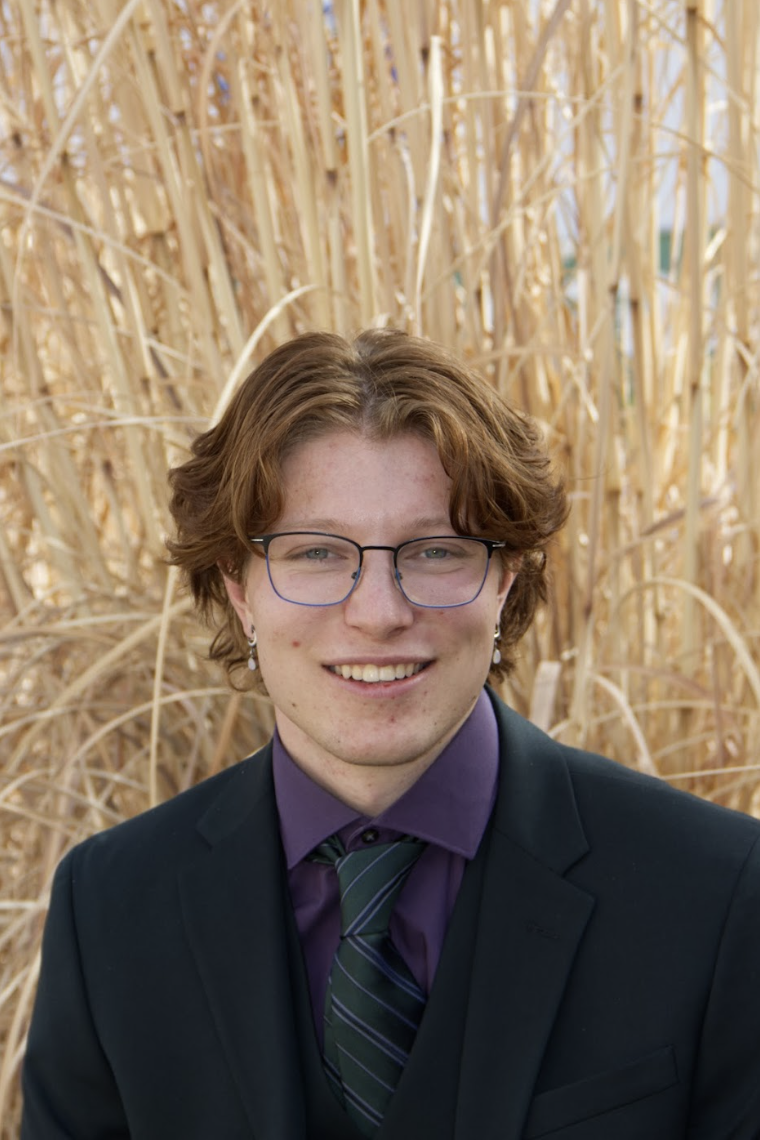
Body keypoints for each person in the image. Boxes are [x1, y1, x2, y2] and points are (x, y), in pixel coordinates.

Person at [21, 329, 760, 1140]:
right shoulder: (111, 910)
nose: (378, 614)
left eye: (435, 550)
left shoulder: (719, 893)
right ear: (238, 590)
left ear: (505, 577)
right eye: (314, 553)